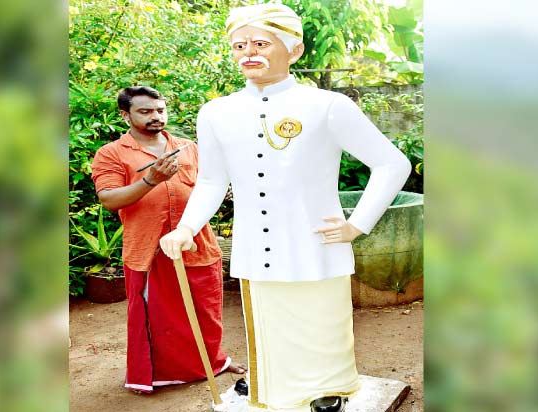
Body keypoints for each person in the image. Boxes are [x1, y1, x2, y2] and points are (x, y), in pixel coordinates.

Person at [159, 4, 412, 412]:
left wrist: (357, 224)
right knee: (266, 318)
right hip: (256, 244)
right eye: (239, 45)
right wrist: (186, 227)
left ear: (294, 49)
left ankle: (328, 387)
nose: (248, 52)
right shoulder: (216, 113)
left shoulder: (328, 105)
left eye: (260, 43)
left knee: (321, 316)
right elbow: (211, 181)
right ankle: (269, 381)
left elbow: (392, 164)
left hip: (316, 238)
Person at [91, 85, 245, 394]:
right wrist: (151, 180)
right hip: (149, 248)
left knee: (205, 310)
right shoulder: (112, 153)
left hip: (197, 244)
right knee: (158, 318)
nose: (156, 116)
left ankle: (212, 362)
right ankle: (157, 375)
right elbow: (108, 199)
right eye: (145, 111)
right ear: (125, 115)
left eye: (160, 110)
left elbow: (211, 185)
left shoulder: (189, 148)